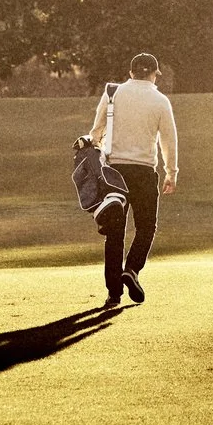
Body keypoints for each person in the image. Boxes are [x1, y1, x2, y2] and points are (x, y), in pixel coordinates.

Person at [85, 52, 179, 307]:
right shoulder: (160, 100)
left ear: (131, 72)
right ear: (153, 74)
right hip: (144, 172)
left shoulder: (113, 93)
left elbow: (97, 130)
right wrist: (171, 172)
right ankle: (132, 270)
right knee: (146, 227)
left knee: (114, 233)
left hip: (114, 172)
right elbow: (168, 140)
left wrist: (93, 149)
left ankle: (113, 293)